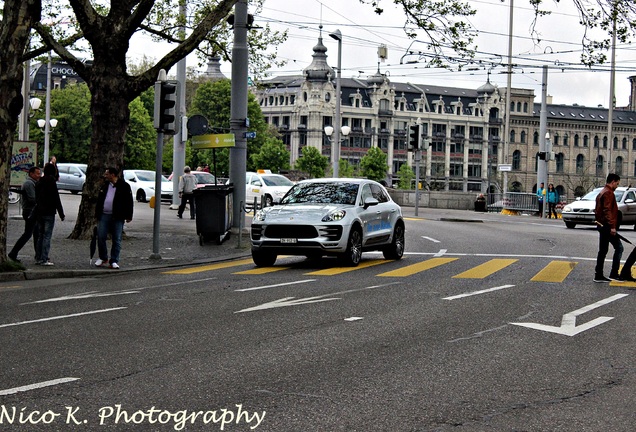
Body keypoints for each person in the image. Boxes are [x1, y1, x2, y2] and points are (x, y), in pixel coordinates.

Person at [95, 167, 134, 269]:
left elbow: (129, 202)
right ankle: (103, 257)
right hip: (104, 214)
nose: (105, 175)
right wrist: (97, 213)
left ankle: (114, 260)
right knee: (101, 236)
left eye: (107, 174)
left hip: (117, 216)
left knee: (117, 238)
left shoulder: (124, 186)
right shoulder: (105, 185)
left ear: (113, 175)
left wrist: (129, 215)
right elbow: (100, 200)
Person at [34, 163, 65, 266]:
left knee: (40, 235)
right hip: (49, 211)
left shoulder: (40, 182)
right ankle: (44, 258)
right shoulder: (51, 182)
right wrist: (61, 213)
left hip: (40, 211)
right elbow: (56, 198)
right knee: (47, 236)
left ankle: (38, 257)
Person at [594, 173, 623, 283]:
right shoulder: (609, 193)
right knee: (619, 248)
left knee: (603, 250)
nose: (617, 186)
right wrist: (612, 226)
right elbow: (607, 210)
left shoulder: (602, 192)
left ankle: (598, 274)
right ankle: (614, 273)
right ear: (613, 182)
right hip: (607, 226)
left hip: (601, 224)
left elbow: (599, 210)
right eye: (617, 184)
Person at [8, 166, 41, 262]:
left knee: (36, 233)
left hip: (32, 211)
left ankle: (38, 255)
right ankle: (13, 253)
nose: (39, 175)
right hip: (30, 211)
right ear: (31, 174)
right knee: (28, 234)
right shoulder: (29, 183)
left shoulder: (33, 183)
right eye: (37, 173)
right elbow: (32, 199)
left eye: (39, 173)